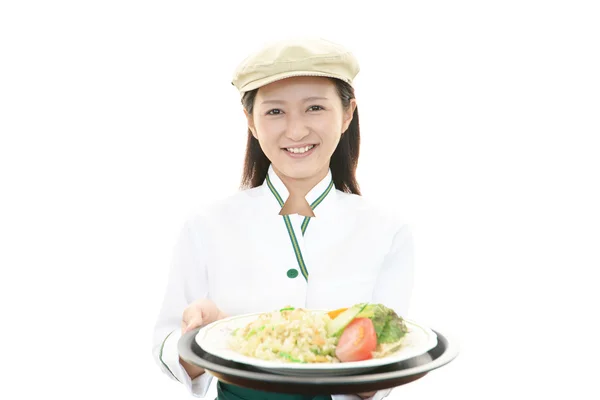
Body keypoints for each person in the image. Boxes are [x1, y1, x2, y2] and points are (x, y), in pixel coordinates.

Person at [152, 38, 414, 400]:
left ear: (348, 113)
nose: (295, 131)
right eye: (275, 112)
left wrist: (368, 371)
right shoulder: (206, 225)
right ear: (251, 122)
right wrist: (201, 342)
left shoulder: (387, 231)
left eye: (315, 108)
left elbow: (392, 355)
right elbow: (168, 346)